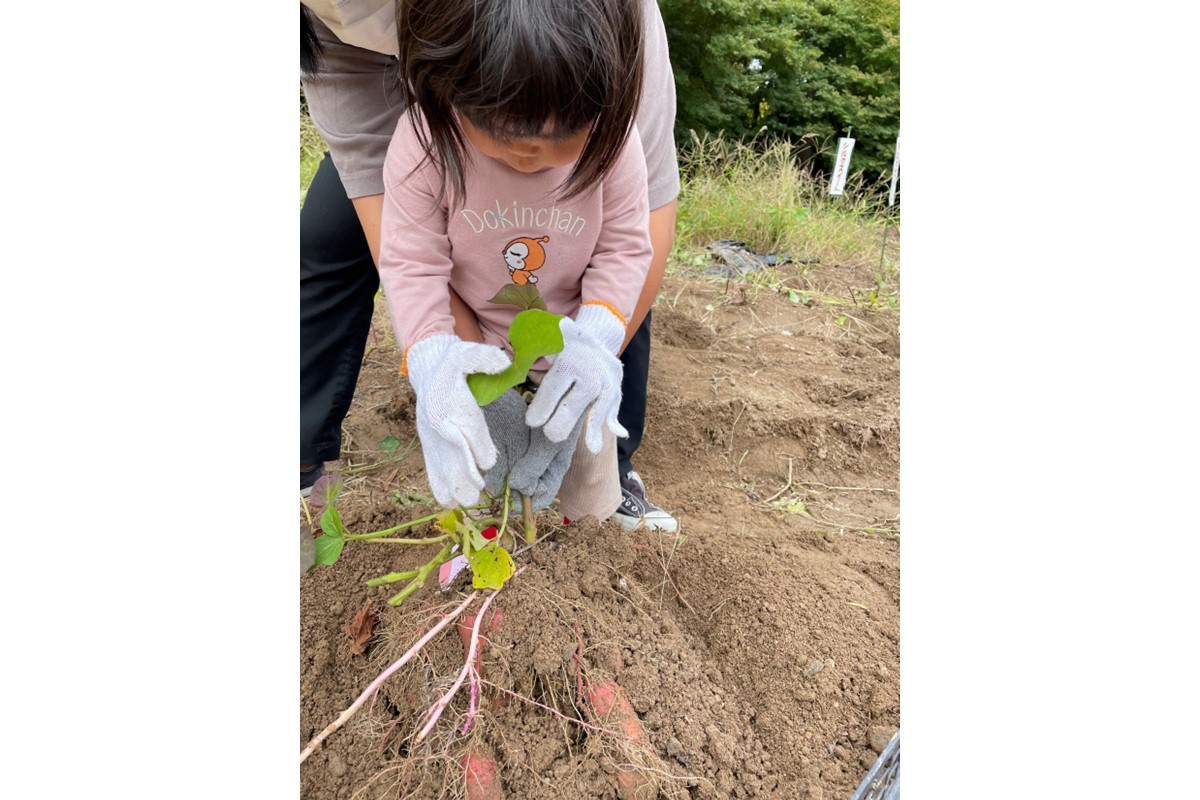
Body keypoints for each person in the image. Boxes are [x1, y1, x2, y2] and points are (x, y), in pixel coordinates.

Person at [300, 0, 679, 531]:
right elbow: (411, 262)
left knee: (589, 500)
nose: (529, 149)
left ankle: (595, 556)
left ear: (608, 102)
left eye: (561, 135)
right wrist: (436, 360)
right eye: (503, 127)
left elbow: (627, 248)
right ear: (448, 85)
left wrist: (595, 345)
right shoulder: (424, 142)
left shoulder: (616, 143)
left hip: (572, 356)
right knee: (479, 494)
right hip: (478, 354)